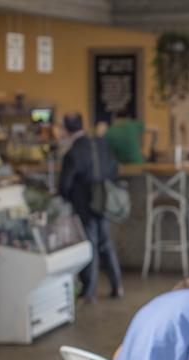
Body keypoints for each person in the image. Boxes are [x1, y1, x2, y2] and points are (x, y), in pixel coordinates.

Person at [58, 112, 123, 300]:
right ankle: (117, 285)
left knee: (90, 244)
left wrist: (65, 196)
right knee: (105, 242)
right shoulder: (100, 143)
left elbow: (65, 185)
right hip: (104, 199)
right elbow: (114, 168)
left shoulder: (73, 152)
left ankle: (89, 290)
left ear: (66, 129)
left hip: (85, 204)